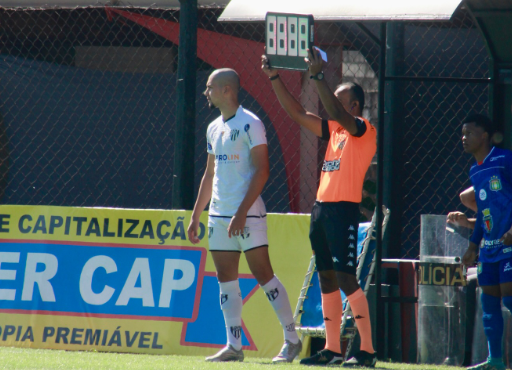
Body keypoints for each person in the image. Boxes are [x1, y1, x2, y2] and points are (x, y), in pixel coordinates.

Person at [261, 49, 377, 367]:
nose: (329, 107)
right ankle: (332, 349)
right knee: (326, 279)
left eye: (337, 101)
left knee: (346, 279)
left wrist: (319, 76)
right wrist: (274, 78)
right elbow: (298, 113)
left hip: (343, 211)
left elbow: (335, 113)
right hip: (322, 210)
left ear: (352, 106)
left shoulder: (363, 130)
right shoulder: (335, 131)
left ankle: (366, 352)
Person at [187, 68, 302, 363]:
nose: (206, 92)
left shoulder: (252, 123)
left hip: (247, 215)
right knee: (226, 278)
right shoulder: (213, 127)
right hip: (218, 217)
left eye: (210, 87)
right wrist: (196, 215)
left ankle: (292, 340)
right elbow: (210, 173)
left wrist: (240, 213)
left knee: (264, 275)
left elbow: (263, 171)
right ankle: (234, 346)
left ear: (227, 90)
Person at [459, 114, 512, 370]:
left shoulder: (505, 159)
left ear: (484, 136)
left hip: (509, 244)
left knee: (510, 297)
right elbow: (483, 211)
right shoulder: (475, 170)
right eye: (462, 133)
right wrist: (473, 245)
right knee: (488, 300)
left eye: (469, 133)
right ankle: (495, 361)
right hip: (489, 248)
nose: (464, 138)